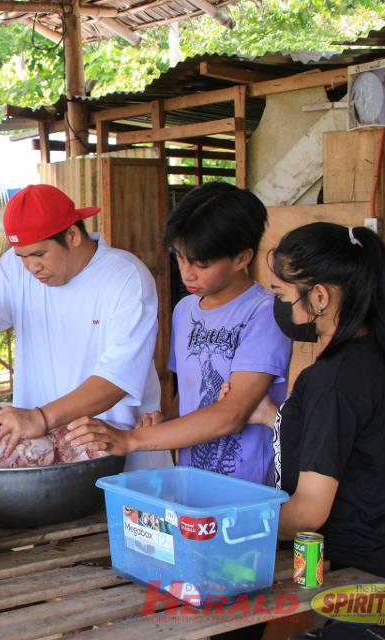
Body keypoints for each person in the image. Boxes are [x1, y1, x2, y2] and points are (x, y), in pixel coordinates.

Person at [65, 182, 292, 486]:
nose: (187, 273)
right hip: (192, 479)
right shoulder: (185, 310)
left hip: (246, 485)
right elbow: (188, 390)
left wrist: (132, 439)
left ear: (242, 258)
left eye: (202, 264)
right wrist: (166, 419)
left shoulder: (264, 313)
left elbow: (232, 414)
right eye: (180, 257)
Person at [0, 184, 172, 471]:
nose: (31, 268)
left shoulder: (125, 278)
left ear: (72, 235)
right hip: (38, 456)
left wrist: (41, 417)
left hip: (117, 455)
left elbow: (117, 379)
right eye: (21, 257)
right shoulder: (16, 267)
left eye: (39, 254)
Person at [245, 221, 385, 581]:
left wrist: (235, 528)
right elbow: (347, 446)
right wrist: (275, 417)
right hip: (379, 549)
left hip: (336, 568)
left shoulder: (332, 381)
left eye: (281, 295)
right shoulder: (377, 354)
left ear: (320, 296)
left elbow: (309, 512)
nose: (279, 307)